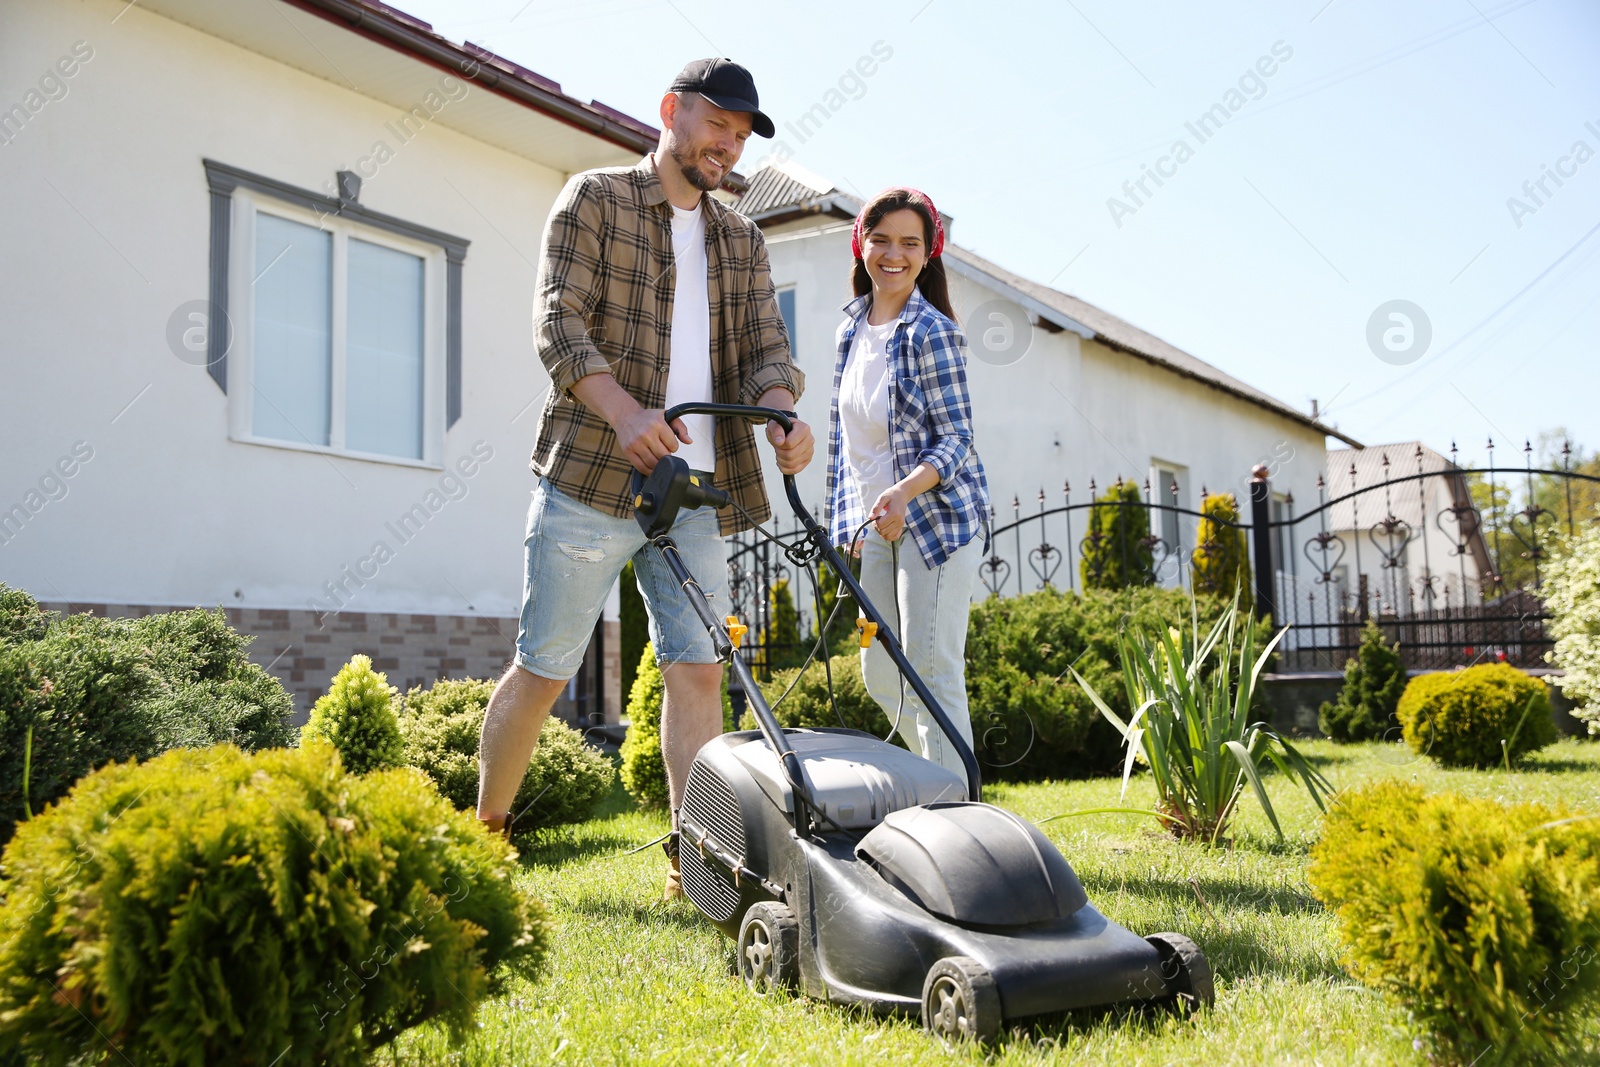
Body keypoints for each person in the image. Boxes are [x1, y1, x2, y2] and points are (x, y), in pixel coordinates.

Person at [476, 58, 814, 900]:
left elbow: (769, 349)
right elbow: (558, 320)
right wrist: (626, 414)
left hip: (698, 487)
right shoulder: (595, 199)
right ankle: (481, 839)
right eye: (717, 126)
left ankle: (696, 863)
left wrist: (780, 410)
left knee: (698, 668)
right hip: (593, 476)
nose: (727, 147)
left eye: (740, 136)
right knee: (547, 666)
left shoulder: (742, 238)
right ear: (672, 111)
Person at [824, 188, 988, 778]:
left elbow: (957, 438)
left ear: (928, 253)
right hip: (877, 529)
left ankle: (956, 814)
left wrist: (904, 491)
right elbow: (851, 447)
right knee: (879, 671)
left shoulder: (931, 331)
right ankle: (931, 783)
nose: (894, 254)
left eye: (910, 243)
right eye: (882, 239)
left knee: (931, 667)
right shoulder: (850, 330)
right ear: (861, 245)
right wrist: (851, 522)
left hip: (936, 523)